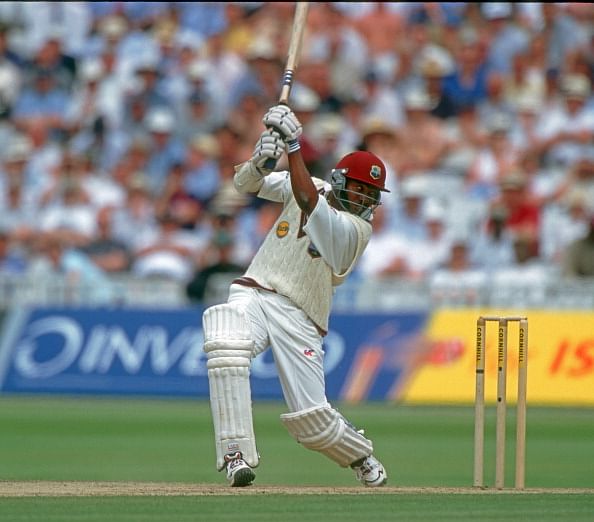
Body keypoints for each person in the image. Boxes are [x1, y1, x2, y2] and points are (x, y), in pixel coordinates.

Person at [201, 103, 389, 488]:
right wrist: (261, 159)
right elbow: (245, 186)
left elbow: (308, 202)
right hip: (256, 289)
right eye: (360, 187)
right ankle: (235, 455)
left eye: (372, 192)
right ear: (338, 180)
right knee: (225, 340)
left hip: (302, 315)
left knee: (312, 424)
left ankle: (360, 455)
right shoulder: (312, 183)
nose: (366, 198)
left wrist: (293, 146)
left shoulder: (356, 229)